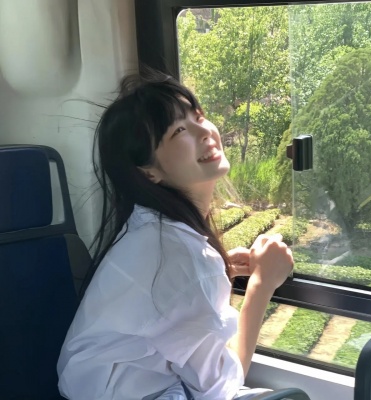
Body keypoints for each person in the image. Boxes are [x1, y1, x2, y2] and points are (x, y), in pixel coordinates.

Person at [57, 70, 293, 400]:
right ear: (148, 171)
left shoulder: (151, 227)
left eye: (199, 117)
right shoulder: (181, 258)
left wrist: (220, 271)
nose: (205, 131)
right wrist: (262, 284)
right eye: (179, 130)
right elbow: (219, 390)